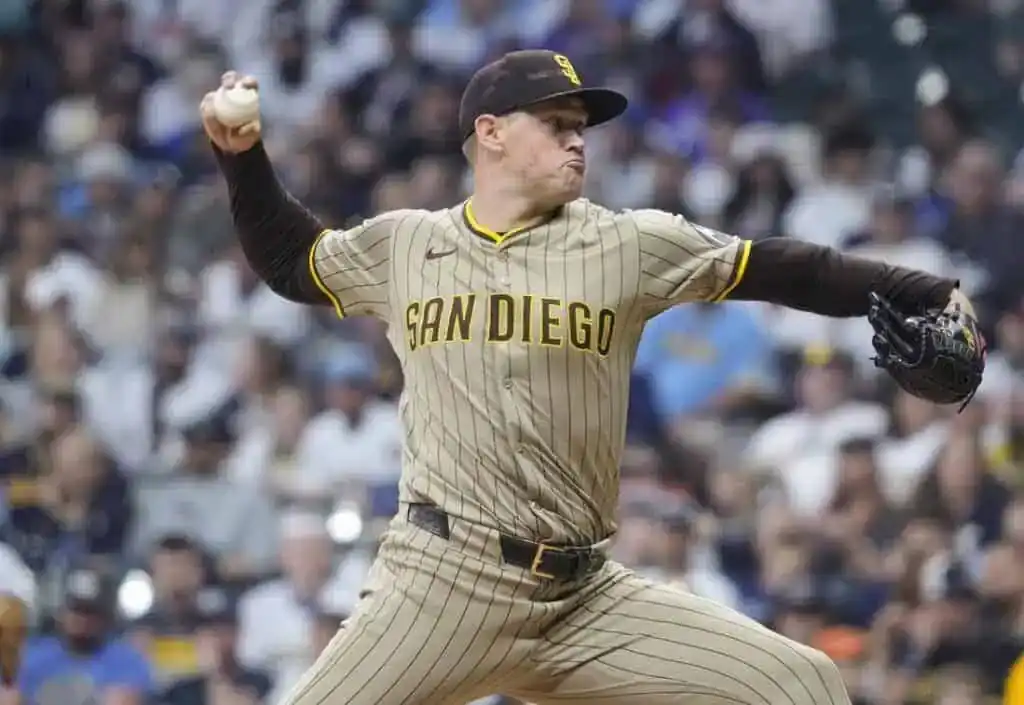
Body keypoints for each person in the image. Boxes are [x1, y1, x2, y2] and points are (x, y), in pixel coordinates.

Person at [200, 49, 977, 705]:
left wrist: (926, 290)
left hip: (583, 595)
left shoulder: (626, 243)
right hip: (441, 582)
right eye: (560, 126)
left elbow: (785, 267)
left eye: (584, 130)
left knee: (800, 684)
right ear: (491, 133)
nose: (581, 143)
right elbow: (293, 261)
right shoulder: (408, 244)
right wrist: (243, 159)